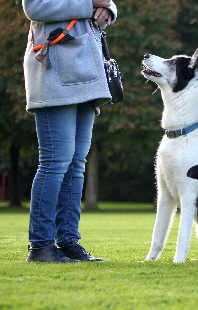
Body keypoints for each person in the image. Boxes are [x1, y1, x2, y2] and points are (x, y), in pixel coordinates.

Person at [23, 0, 118, 262]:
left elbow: (104, 2)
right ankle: (40, 246)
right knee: (55, 162)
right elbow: (35, 7)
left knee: (76, 164)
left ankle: (67, 241)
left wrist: (109, 9)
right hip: (53, 74)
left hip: (87, 77)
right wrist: (90, 6)